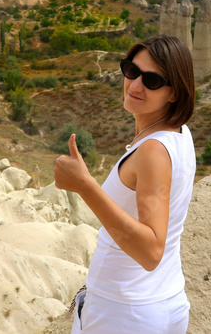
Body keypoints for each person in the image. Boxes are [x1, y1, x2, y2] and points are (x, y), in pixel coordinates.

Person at [54, 34, 196, 334]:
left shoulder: (153, 151)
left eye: (152, 81)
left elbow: (151, 251)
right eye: (131, 71)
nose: (135, 85)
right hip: (162, 299)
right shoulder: (180, 134)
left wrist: (85, 186)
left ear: (174, 92)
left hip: (124, 312)